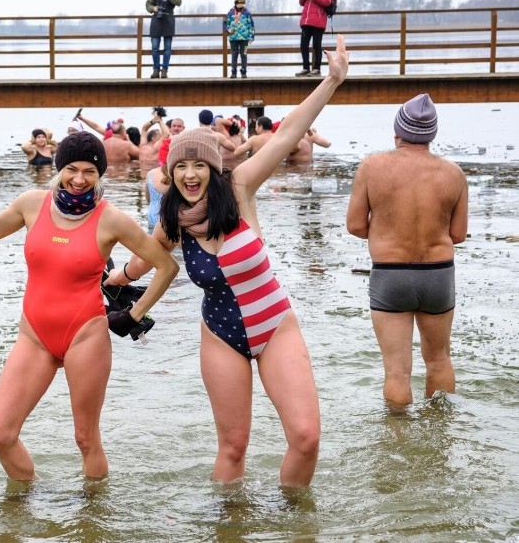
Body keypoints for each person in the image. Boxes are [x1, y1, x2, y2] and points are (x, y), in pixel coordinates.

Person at [105, 35, 349, 486]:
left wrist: (331, 81)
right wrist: (111, 277)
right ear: (172, 173)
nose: (191, 174)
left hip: (274, 325)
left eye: (199, 165)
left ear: (214, 168)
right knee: (233, 447)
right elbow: (145, 261)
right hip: (220, 334)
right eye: (181, 167)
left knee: (306, 437)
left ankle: (295, 522)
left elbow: (289, 133)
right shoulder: (175, 219)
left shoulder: (241, 189)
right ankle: (229, 526)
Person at [0, 131, 178, 481]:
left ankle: (91, 519)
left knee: (86, 438)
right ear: (59, 169)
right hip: (34, 335)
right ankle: (26, 505)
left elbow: (166, 266)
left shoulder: (112, 219)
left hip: (85, 335)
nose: (79, 179)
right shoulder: (32, 203)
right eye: (72, 169)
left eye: (89, 171)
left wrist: (133, 315)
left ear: (99, 174)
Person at [346, 93, 468, 411]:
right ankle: (440, 437)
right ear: (432, 135)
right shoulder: (454, 174)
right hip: (438, 274)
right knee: (439, 359)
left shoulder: (372, 167)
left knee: (397, 371)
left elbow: (355, 226)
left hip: (391, 273)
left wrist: (387, 230)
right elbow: (458, 234)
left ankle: (399, 444)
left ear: (397, 133)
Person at [296, 0, 333, 77]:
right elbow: (301, 2)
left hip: (318, 22)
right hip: (306, 22)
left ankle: (317, 69)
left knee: (316, 46)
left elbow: (327, 2)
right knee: (303, 45)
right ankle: (306, 68)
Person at [146, 0, 182, 79]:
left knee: (167, 47)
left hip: (168, 20)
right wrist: (153, 8)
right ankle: (156, 70)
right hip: (157, 19)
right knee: (154, 47)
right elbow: (147, 4)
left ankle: (164, 70)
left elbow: (179, 2)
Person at [225, 0, 256, 79]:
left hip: (245, 38)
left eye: (243, 2)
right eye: (239, 2)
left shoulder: (247, 13)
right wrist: (228, 30)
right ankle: (233, 72)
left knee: (244, 54)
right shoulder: (231, 13)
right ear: (235, 3)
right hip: (233, 38)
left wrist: (252, 36)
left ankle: (243, 71)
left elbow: (251, 25)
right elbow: (226, 23)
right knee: (234, 54)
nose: (241, 4)